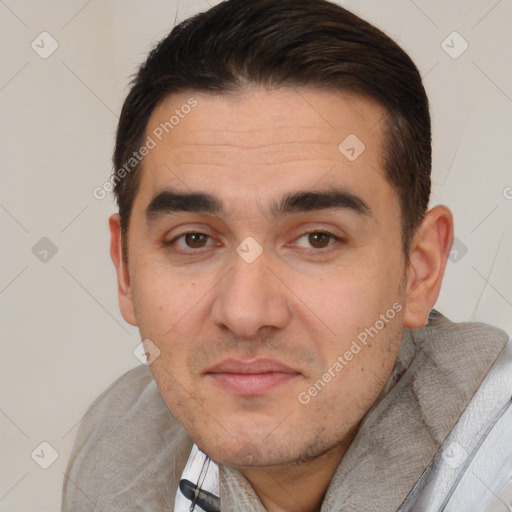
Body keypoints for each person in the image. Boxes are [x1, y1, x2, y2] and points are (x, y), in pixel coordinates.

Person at [62, 0, 512, 510]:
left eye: (318, 239)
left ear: (420, 268)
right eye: (194, 239)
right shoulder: (119, 447)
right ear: (125, 270)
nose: (246, 314)